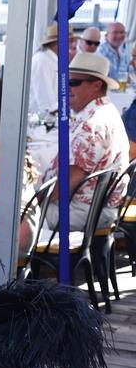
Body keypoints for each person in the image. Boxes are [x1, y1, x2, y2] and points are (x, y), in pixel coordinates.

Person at [42, 50, 130, 233]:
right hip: (95, 208)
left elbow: (67, 183)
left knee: (9, 214)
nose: (66, 88)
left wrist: (35, 199)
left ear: (97, 85)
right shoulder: (104, 111)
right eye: (64, 82)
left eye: (73, 83)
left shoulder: (91, 124)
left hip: (81, 211)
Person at [29, 23, 73, 115]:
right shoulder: (42, 61)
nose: (72, 45)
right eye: (70, 41)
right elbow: (47, 105)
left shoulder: (52, 61)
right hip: (40, 124)